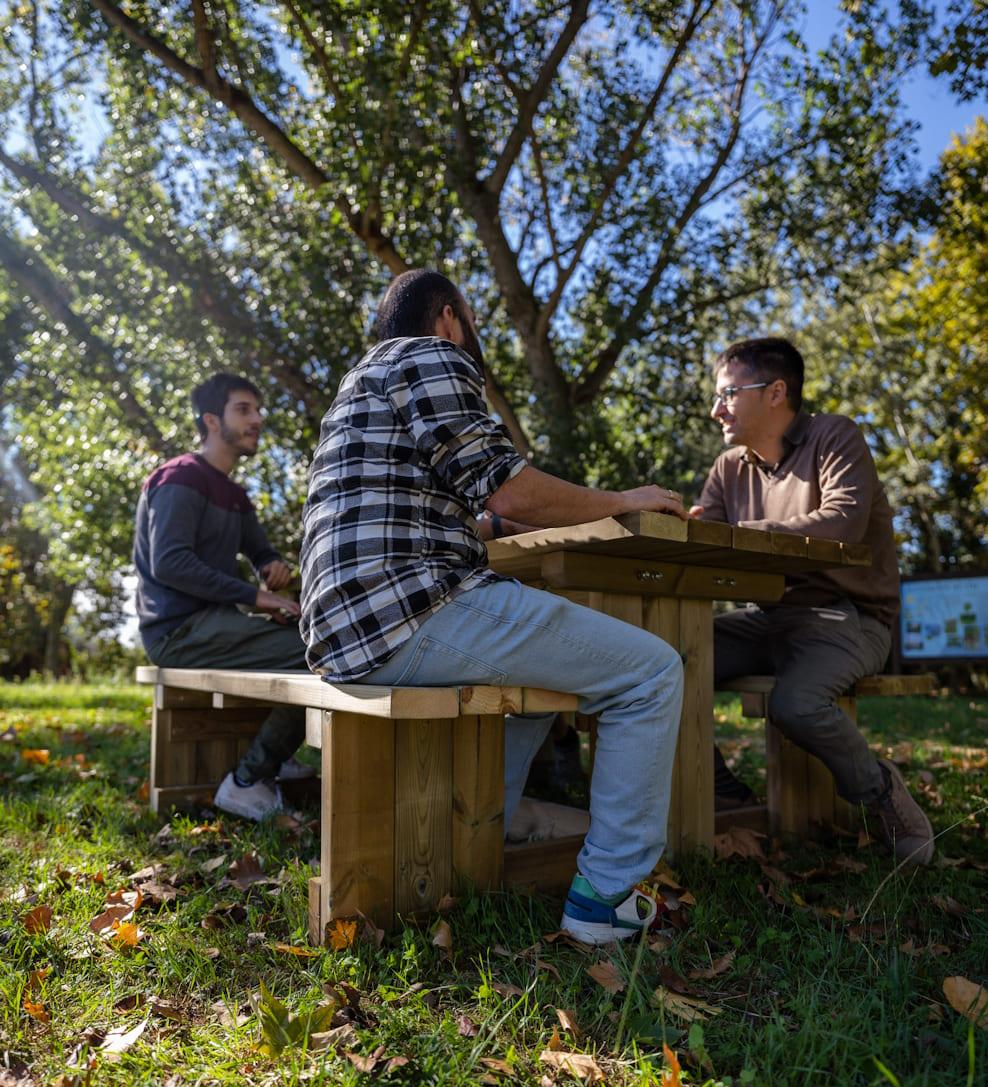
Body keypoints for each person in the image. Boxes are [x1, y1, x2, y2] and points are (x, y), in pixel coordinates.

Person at [300, 268, 686, 944]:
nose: (475, 338)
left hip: (348, 626)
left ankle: (471, 849)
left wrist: (499, 524)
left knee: (540, 686)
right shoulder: (433, 355)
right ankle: (606, 902)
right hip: (411, 612)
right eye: (473, 322)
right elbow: (507, 491)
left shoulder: (358, 386)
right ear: (449, 316)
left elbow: (459, 510)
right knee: (651, 672)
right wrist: (627, 501)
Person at [691, 337, 934, 865]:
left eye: (729, 394)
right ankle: (722, 791)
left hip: (849, 618)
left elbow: (841, 525)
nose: (716, 410)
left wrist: (741, 534)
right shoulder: (727, 468)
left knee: (795, 705)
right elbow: (707, 544)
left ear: (776, 391)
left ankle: (880, 790)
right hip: (767, 617)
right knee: (667, 656)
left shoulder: (836, 435)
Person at [134, 372, 311, 821]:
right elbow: (170, 563)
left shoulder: (236, 495)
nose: (257, 420)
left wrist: (272, 566)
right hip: (177, 632)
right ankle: (248, 780)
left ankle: (275, 753)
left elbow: (261, 550)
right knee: (311, 653)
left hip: (216, 624)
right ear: (212, 420)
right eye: (244, 410)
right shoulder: (180, 478)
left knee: (316, 637)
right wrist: (259, 597)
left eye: (258, 410)